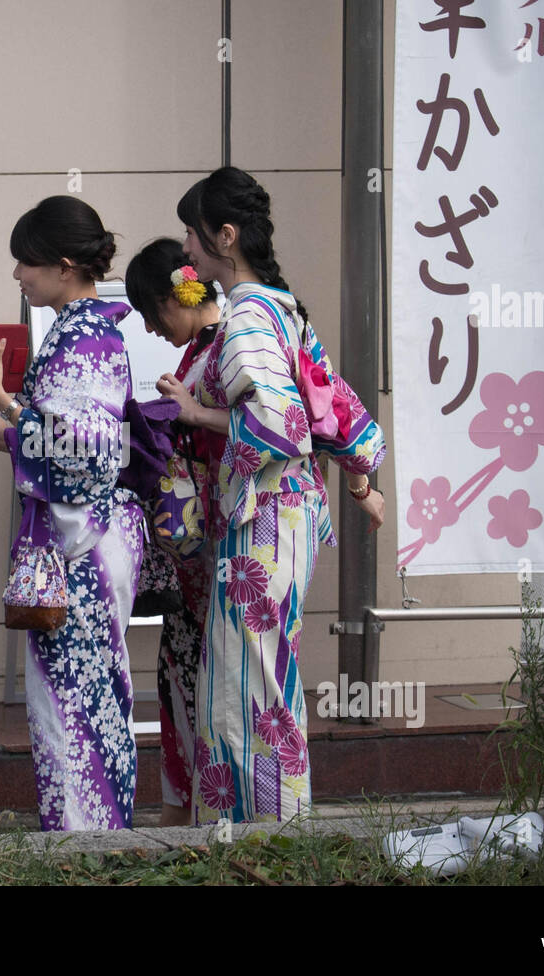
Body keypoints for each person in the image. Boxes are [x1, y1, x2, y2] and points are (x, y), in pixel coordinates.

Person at [170, 167, 387, 824]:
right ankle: (263, 835)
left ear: (226, 237)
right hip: (288, 513)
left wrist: (197, 414)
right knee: (258, 681)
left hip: (261, 515)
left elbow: (276, 423)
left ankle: (267, 841)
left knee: (249, 688)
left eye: (193, 236)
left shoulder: (245, 316)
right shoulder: (281, 306)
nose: (186, 252)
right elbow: (330, 409)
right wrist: (358, 481)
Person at [0, 196, 145, 831]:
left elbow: (86, 453)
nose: (19, 275)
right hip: (91, 539)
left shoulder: (83, 337)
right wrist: (12, 430)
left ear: (65, 266)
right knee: (89, 702)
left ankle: (84, 850)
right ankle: (95, 843)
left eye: (28, 264)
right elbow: (70, 438)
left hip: (83, 545)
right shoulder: (89, 330)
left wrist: (2, 399)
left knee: (75, 708)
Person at [124, 238, 226, 827]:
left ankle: (197, 808)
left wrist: (178, 418)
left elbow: (264, 427)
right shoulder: (206, 351)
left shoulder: (225, 349)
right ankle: (181, 805)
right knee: (182, 669)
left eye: (150, 312)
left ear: (174, 298)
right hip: (198, 543)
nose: (150, 327)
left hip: (215, 537)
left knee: (201, 673)